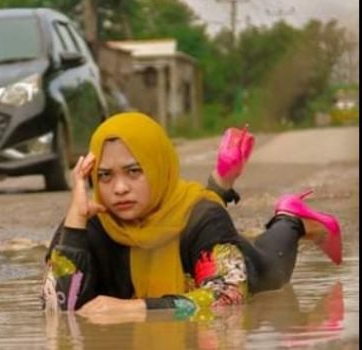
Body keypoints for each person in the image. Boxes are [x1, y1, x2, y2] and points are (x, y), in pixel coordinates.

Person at [41, 112, 342, 318]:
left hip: (238, 259)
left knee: (274, 268)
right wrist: (75, 222)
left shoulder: (204, 219)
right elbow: (57, 309)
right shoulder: (85, 223)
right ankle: (220, 183)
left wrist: (134, 310)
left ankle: (291, 217)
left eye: (134, 171)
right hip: (191, 225)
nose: (119, 188)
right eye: (105, 176)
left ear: (159, 167)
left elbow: (229, 297)